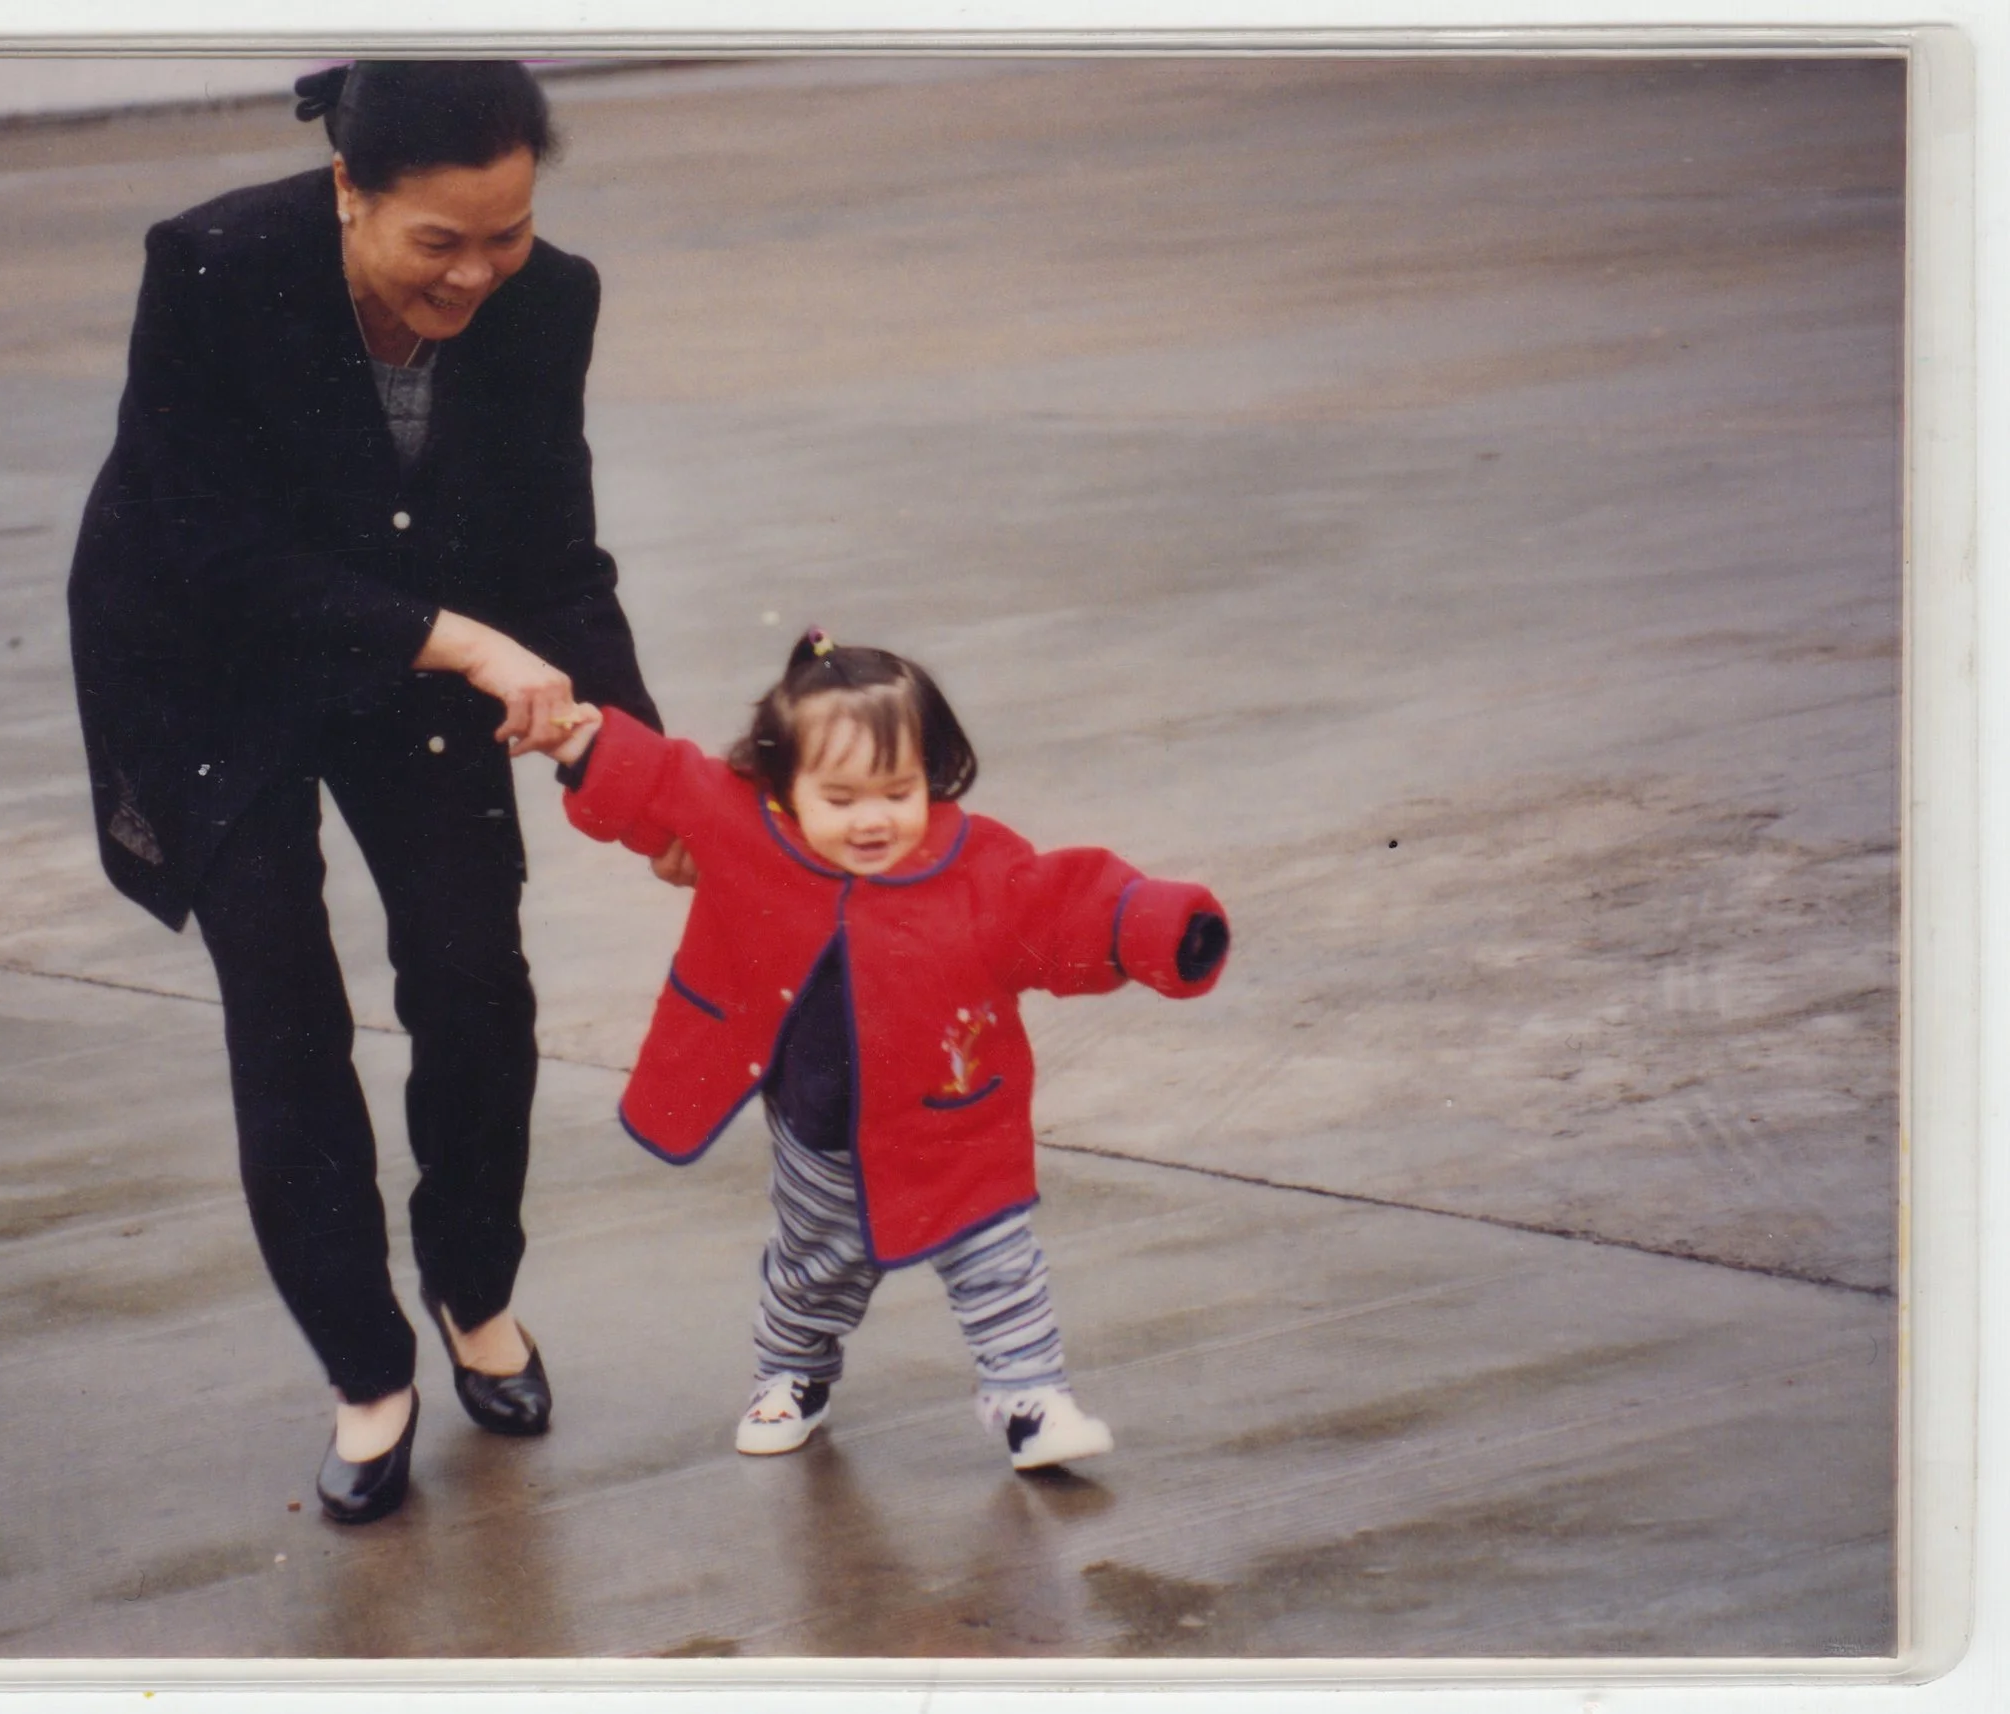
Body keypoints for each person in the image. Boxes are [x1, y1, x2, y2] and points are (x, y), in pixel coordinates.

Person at [66, 60, 673, 1527]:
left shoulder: (550, 297)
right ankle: (364, 1366)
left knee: (476, 975)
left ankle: (473, 1290)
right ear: (351, 191)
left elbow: (553, 546)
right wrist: (461, 640)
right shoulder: (214, 266)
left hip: (413, 643)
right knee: (285, 1002)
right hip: (202, 656)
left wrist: (652, 774)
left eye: (507, 233)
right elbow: (209, 542)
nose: (476, 273)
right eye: (438, 242)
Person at [542, 632, 1230, 1471]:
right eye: (840, 798)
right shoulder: (748, 833)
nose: (873, 819)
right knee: (814, 1269)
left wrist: (1164, 929)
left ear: (931, 774)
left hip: (955, 1121)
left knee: (998, 1262)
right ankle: (792, 1371)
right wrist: (578, 739)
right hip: (819, 1130)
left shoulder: (978, 870)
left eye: (897, 791)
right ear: (784, 790)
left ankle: (1030, 1398)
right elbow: (663, 779)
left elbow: (1067, 906)